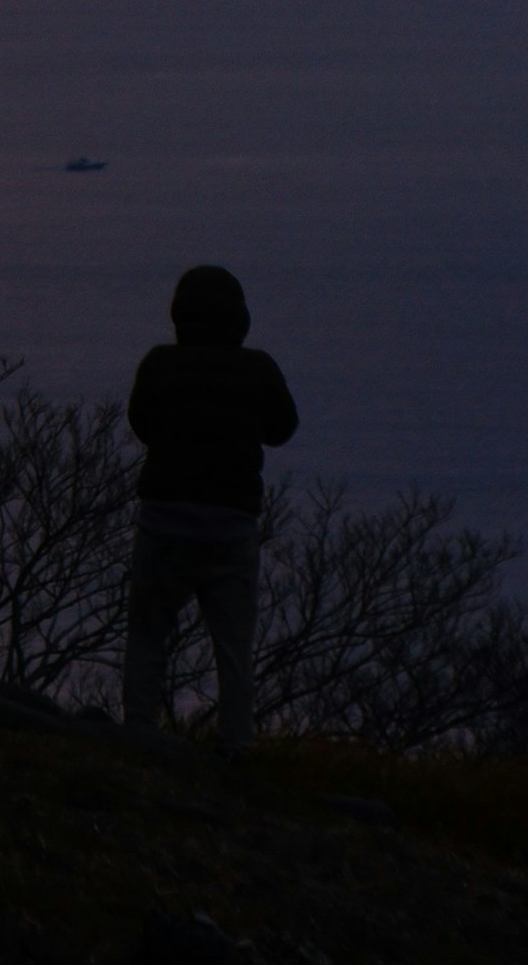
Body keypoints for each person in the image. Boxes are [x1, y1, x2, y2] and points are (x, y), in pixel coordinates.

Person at [122, 263, 298, 743]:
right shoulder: (258, 368)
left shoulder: (159, 363)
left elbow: (142, 423)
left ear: (179, 314)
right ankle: (235, 746)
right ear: (239, 317)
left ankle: (137, 734)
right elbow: (282, 429)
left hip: (164, 519)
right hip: (231, 522)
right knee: (233, 646)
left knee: (147, 634)